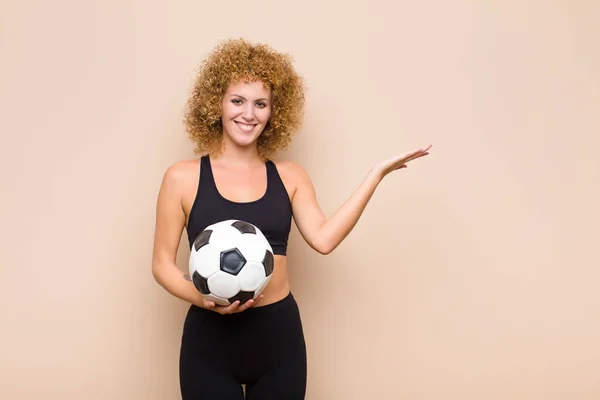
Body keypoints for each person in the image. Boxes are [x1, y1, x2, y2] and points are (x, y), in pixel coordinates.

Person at [151, 38, 432, 400]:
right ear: (216, 103)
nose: (248, 114)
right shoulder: (182, 177)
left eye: (260, 104)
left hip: (277, 339)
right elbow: (161, 264)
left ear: (273, 112)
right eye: (237, 100)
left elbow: (325, 239)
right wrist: (200, 297)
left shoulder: (289, 176)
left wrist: (375, 175)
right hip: (208, 341)